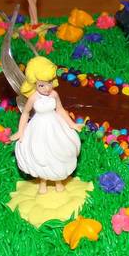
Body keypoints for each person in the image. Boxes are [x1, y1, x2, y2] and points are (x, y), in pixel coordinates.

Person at [10, 56, 82, 193]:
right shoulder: (33, 97)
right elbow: (25, 113)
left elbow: (60, 109)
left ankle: (58, 181)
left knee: (58, 150)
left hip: (55, 125)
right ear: (34, 84)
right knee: (41, 154)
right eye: (41, 85)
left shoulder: (54, 94)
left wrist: (72, 124)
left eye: (49, 83)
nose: (47, 88)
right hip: (39, 128)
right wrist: (20, 131)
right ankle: (43, 181)